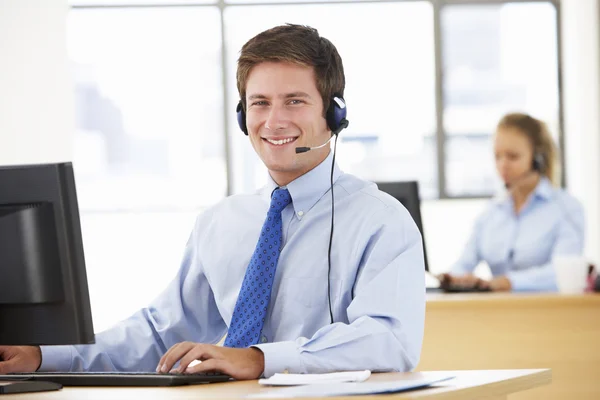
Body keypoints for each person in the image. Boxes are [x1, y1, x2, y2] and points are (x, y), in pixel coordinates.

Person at [0, 24, 425, 379]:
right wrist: (43, 356)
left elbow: (387, 338)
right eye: (260, 103)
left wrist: (258, 358)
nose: (274, 121)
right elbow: (158, 332)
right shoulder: (222, 222)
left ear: (333, 115)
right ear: (243, 117)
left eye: (294, 101)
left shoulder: (382, 221)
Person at [440, 112, 584, 292]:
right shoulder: (492, 211)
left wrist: (508, 282)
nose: (503, 165)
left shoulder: (566, 208)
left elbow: (562, 273)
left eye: (513, 156)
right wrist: (455, 278)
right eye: (497, 156)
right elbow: (464, 263)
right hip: (497, 313)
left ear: (537, 158)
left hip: (546, 314)